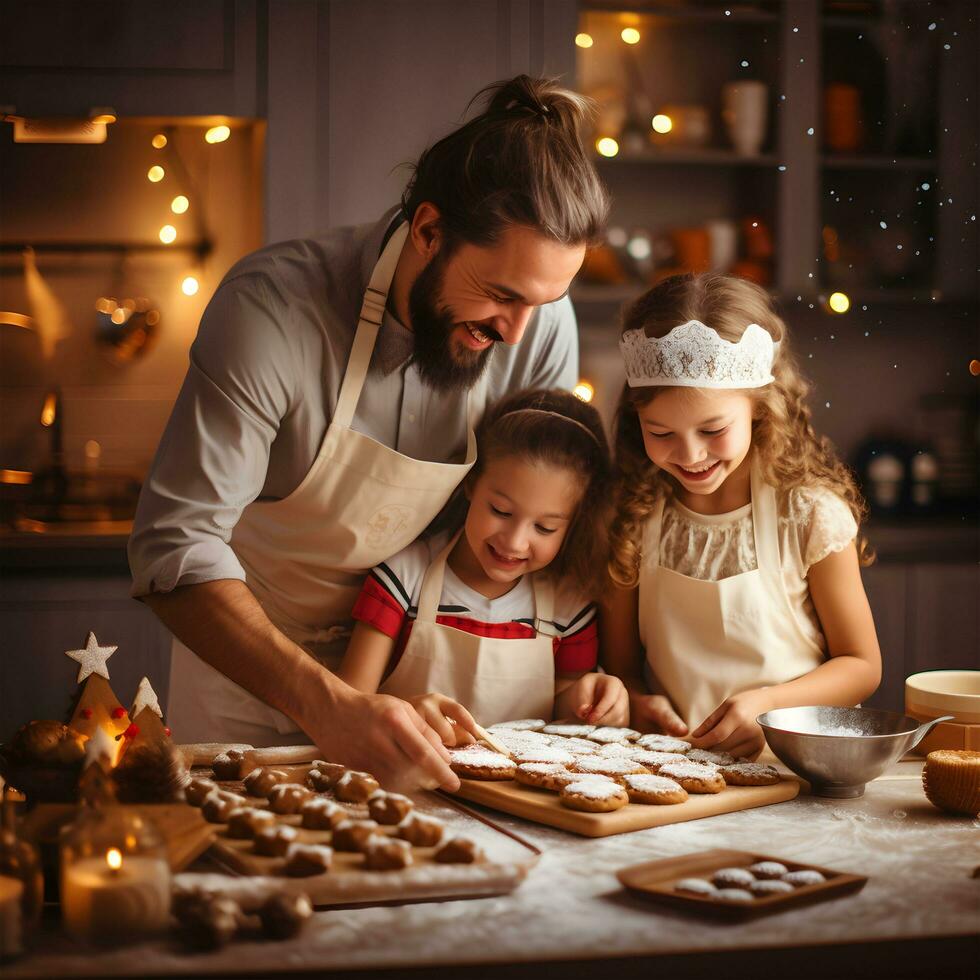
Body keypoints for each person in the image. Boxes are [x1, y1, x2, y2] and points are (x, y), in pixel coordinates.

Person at [127, 75, 610, 791]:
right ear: (427, 230)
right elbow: (174, 545)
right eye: (502, 295)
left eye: (544, 302)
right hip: (247, 681)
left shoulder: (534, 331)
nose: (517, 334)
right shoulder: (273, 310)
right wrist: (332, 705)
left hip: (412, 685)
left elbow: (525, 515)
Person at [602, 274, 882, 758]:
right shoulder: (631, 514)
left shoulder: (809, 515)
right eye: (660, 432)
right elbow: (621, 667)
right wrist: (635, 700)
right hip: (671, 768)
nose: (689, 455)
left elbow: (861, 665)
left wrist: (770, 707)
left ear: (759, 408)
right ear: (636, 417)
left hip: (794, 769)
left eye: (713, 429)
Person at [339, 388, 627, 739]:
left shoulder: (571, 605)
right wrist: (410, 712)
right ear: (472, 484)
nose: (515, 541)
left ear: (575, 522)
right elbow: (348, 706)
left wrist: (591, 699)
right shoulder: (403, 577)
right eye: (501, 511)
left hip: (515, 793)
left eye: (544, 527)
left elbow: (563, 714)